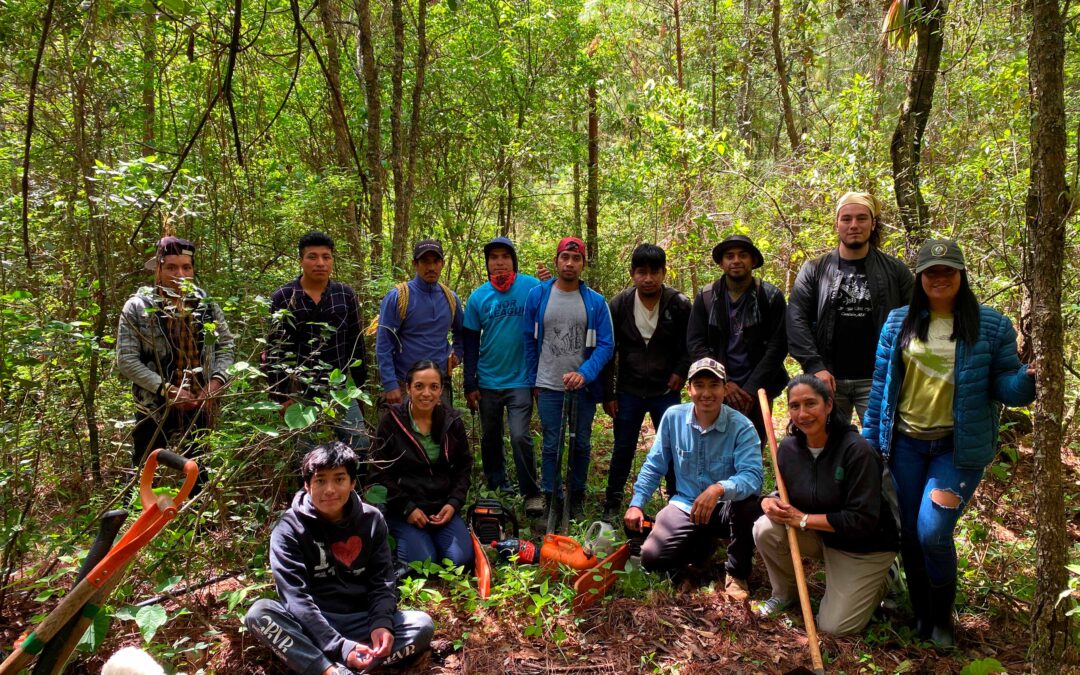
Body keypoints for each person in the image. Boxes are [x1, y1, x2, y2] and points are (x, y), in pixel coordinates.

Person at [863, 239, 1036, 648]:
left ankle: (941, 619)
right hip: (904, 443)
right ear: (920, 277)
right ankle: (920, 613)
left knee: (932, 533)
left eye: (948, 270)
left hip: (954, 450)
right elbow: (880, 393)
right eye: (931, 271)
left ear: (961, 275)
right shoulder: (897, 323)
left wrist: (1029, 379)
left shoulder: (991, 325)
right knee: (907, 534)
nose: (940, 278)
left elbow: (1005, 387)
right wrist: (870, 447)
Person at [245, 443, 434, 674]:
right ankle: (330, 670)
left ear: (353, 482)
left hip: (360, 620)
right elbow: (295, 598)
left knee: (421, 625)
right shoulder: (288, 529)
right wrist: (340, 647)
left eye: (339, 479)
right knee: (260, 614)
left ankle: (334, 665)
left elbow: (382, 581)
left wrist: (381, 624)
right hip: (311, 623)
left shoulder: (372, 520)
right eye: (320, 480)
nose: (330, 489)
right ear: (307, 485)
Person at [753, 374, 899, 635]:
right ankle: (785, 593)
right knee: (765, 528)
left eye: (811, 403)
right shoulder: (789, 449)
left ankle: (885, 576)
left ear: (829, 405)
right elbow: (786, 493)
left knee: (834, 627)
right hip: (824, 536)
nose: (803, 413)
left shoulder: (858, 451)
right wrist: (770, 501)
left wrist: (805, 520)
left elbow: (862, 520)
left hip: (863, 547)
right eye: (795, 406)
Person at [624, 358, 763, 600]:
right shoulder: (673, 418)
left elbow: (752, 477)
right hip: (685, 504)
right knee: (651, 558)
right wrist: (636, 504)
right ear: (689, 389)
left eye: (714, 385)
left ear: (725, 387)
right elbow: (655, 464)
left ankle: (736, 572)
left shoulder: (742, 427)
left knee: (749, 504)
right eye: (699, 385)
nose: (706, 393)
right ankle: (701, 547)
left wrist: (719, 489)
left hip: (725, 508)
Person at [787, 192, 914, 423]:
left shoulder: (895, 271)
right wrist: (815, 366)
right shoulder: (814, 270)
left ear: (873, 223)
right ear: (837, 224)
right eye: (846, 219)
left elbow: (915, 319)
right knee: (830, 450)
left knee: (881, 450)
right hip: (827, 379)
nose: (854, 225)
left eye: (861, 218)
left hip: (878, 380)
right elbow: (796, 320)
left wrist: (899, 366)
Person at [116, 236, 234, 476]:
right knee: (144, 468)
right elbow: (126, 360)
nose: (180, 274)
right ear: (158, 269)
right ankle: (137, 512)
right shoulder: (138, 307)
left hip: (201, 403)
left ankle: (199, 510)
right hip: (154, 405)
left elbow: (226, 345)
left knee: (199, 470)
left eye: (186, 267)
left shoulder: (206, 304)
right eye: (171, 267)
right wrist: (168, 390)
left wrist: (214, 384)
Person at [522, 236, 614, 520]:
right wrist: (533, 380)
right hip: (548, 383)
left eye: (576, 259)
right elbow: (528, 339)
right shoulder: (538, 296)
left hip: (583, 388)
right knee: (551, 443)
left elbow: (606, 344)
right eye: (565, 258)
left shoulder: (595, 302)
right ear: (557, 261)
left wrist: (585, 374)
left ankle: (576, 495)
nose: (570, 263)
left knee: (582, 443)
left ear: (583, 264)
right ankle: (551, 495)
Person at [600, 243, 692, 521]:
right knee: (623, 446)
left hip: (666, 389)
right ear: (632, 273)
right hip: (629, 389)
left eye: (654, 272)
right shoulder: (620, 304)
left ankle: (678, 500)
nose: (648, 278)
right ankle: (613, 501)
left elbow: (691, 344)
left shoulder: (679, 304)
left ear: (664, 273)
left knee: (675, 447)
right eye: (642, 272)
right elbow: (608, 350)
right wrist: (608, 393)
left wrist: (680, 371)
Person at [463, 237, 544, 515]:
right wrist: (469, 383)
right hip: (487, 380)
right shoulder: (478, 297)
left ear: (513, 260)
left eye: (505, 257)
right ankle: (499, 487)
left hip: (521, 379)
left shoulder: (532, 286)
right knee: (490, 436)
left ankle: (531, 492)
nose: (499, 262)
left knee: (521, 435)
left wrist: (549, 283)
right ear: (487, 264)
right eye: (493, 257)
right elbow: (471, 342)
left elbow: (552, 307)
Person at [266, 231, 369, 450]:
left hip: (338, 389)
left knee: (359, 444)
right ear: (301, 260)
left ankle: (354, 485)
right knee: (306, 455)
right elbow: (274, 350)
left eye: (326, 257)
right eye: (312, 257)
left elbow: (356, 344)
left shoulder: (345, 295)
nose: (320, 263)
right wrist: (280, 397)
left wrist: (360, 388)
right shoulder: (284, 297)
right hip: (299, 394)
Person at [369, 361, 474, 568]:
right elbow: (378, 473)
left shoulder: (451, 422)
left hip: (441, 508)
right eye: (419, 386)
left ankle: (437, 536)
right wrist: (407, 508)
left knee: (459, 561)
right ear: (408, 388)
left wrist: (453, 504)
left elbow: (464, 467)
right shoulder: (391, 422)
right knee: (423, 563)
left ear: (441, 390)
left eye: (433, 387)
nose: (426, 393)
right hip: (404, 510)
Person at [686, 234, 788, 442]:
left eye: (743, 255)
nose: (736, 261)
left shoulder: (769, 297)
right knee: (716, 443)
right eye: (729, 256)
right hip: (716, 387)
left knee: (752, 444)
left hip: (760, 387)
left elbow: (778, 345)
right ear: (722, 263)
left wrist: (751, 389)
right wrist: (724, 382)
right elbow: (696, 343)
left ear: (753, 261)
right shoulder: (706, 297)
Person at [375, 239, 463, 407]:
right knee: (403, 433)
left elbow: (461, 331)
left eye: (436, 261)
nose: (431, 267)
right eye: (425, 262)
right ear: (415, 264)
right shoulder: (399, 297)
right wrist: (390, 383)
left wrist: (457, 353)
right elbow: (384, 342)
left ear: (443, 264)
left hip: (439, 384)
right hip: (405, 383)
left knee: (440, 432)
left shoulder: (450, 299)